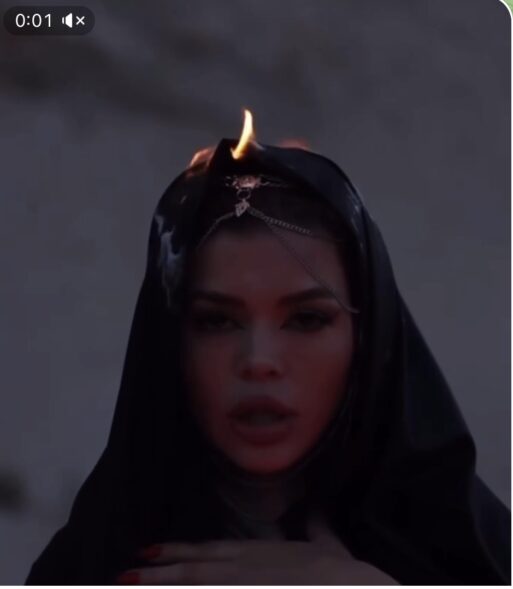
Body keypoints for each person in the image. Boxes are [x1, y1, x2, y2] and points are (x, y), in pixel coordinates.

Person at [25, 135, 510, 585]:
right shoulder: (95, 566)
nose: (259, 362)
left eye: (306, 319)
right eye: (217, 321)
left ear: (366, 338)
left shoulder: (471, 554)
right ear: (171, 340)